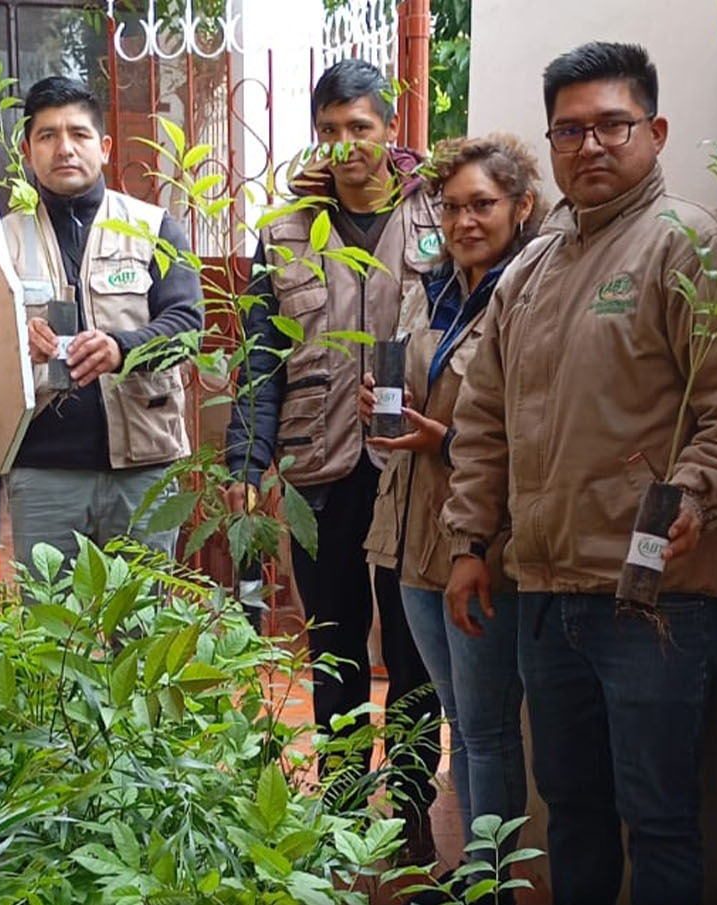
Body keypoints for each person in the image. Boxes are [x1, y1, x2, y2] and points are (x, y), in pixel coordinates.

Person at [441, 42, 717, 905]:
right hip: (545, 596)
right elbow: (483, 421)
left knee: (659, 817)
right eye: (570, 130)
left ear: (655, 131)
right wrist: (471, 541)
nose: (590, 146)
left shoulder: (691, 247)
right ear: (550, 144)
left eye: (612, 126)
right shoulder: (532, 269)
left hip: (652, 603)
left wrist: (696, 493)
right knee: (572, 805)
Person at [223, 59, 443, 862]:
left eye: (361, 127)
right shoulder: (284, 230)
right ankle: (347, 796)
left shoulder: (440, 212)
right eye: (331, 130)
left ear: (390, 129)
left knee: (414, 644)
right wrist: (247, 456)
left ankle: (414, 795)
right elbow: (258, 355)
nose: (347, 145)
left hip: (415, 468)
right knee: (336, 640)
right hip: (320, 465)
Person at [358, 134, 541, 873]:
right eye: (454, 206)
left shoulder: (527, 295)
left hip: (480, 543)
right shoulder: (431, 286)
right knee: (459, 721)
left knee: (490, 727)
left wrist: (447, 435)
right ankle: (471, 874)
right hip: (409, 535)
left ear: (521, 207)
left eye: (484, 205)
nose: (466, 221)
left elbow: (531, 424)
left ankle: (491, 881)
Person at [0, 76, 203, 573]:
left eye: (78, 134)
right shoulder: (0, 239)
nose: (64, 148)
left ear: (105, 147)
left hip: (142, 468)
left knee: (143, 631)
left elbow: (186, 324)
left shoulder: (153, 228)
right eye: (47, 136)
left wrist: (122, 348)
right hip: (41, 470)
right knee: (52, 636)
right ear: (27, 150)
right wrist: (11, 340)